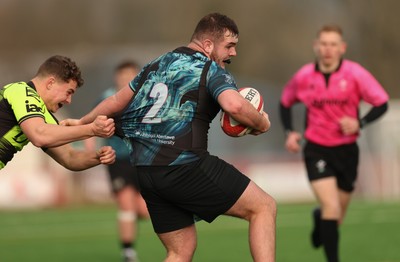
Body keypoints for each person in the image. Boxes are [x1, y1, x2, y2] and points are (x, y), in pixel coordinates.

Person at [64, 13, 276, 262]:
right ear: (208, 45)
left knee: (180, 250)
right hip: (184, 165)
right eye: (229, 46)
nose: (234, 53)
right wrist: (261, 122)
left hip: (147, 173)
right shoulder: (209, 69)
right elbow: (236, 107)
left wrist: (81, 121)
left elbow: (114, 101)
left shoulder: (156, 64)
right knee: (263, 207)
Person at [279, 24, 389, 262]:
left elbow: (382, 103)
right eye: (324, 44)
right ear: (316, 46)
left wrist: (360, 122)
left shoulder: (355, 74)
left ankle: (320, 221)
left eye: (333, 44)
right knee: (332, 207)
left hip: (347, 151)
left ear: (342, 48)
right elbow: (285, 102)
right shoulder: (304, 76)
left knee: (335, 217)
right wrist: (290, 132)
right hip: (316, 148)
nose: (328, 49)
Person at [0, 55, 116, 171]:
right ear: (50, 83)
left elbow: (70, 158)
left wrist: (98, 157)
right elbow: (39, 135)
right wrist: (91, 129)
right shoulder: (21, 91)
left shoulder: (44, 119)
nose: (68, 101)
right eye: (68, 92)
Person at [85, 61, 149, 262]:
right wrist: (90, 149)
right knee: (126, 203)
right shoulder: (106, 99)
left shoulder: (146, 99)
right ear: (116, 77)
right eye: (122, 75)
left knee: (144, 211)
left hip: (142, 160)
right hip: (117, 159)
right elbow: (89, 124)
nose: (126, 79)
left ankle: (131, 224)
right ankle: (128, 252)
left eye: (131, 75)